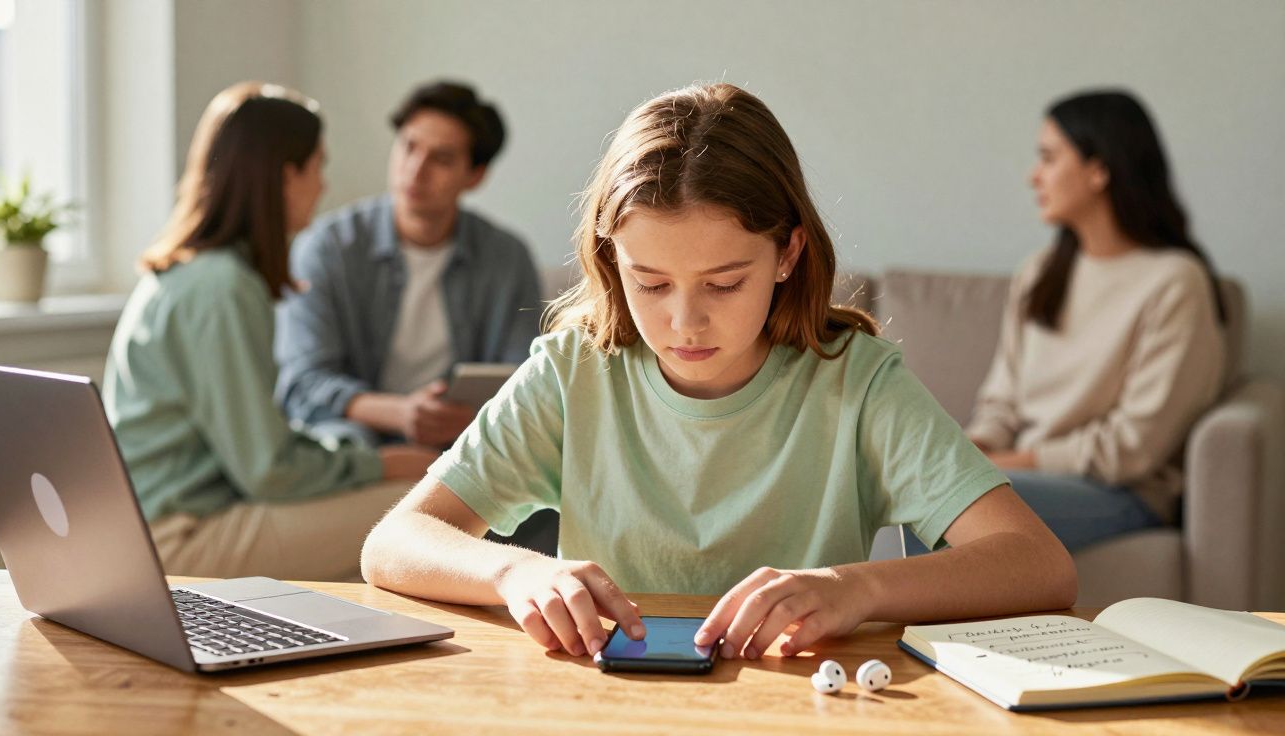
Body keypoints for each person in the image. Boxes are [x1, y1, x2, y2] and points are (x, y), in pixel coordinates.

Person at [360, 83, 1076, 662]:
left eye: (725, 284)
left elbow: (1040, 565)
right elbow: (393, 542)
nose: (684, 322)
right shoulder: (573, 372)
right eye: (650, 282)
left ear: (788, 254)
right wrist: (515, 571)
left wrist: (853, 589)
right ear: (611, 260)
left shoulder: (855, 382)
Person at [103, 82, 434, 581]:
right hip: (178, 536)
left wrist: (358, 459)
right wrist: (382, 464)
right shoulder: (221, 288)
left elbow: (258, 444)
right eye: (318, 166)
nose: (323, 186)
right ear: (285, 175)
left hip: (153, 522)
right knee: (427, 508)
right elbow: (268, 471)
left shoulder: (188, 273)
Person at [963, 90, 1227, 553]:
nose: (1033, 176)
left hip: (1119, 493)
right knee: (915, 491)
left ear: (1099, 170)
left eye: (1048, 158)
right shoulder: (1039, 273)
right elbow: (1001, 402)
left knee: (954, 506)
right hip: (1017, 475)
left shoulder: (1175, 282)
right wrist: (970, 449)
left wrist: (1001, 463)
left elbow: (1133, 446)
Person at [275, 81, 542, 449]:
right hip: (358, 435)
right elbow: (303, 380)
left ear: (475, 175)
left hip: (467, 439)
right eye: (408, 147)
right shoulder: (328, 248)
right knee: (343, 441)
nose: (415, 171)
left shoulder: (506, 258)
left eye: (442, 159)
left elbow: (526, 381)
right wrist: (400, 413)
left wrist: (469, 420)